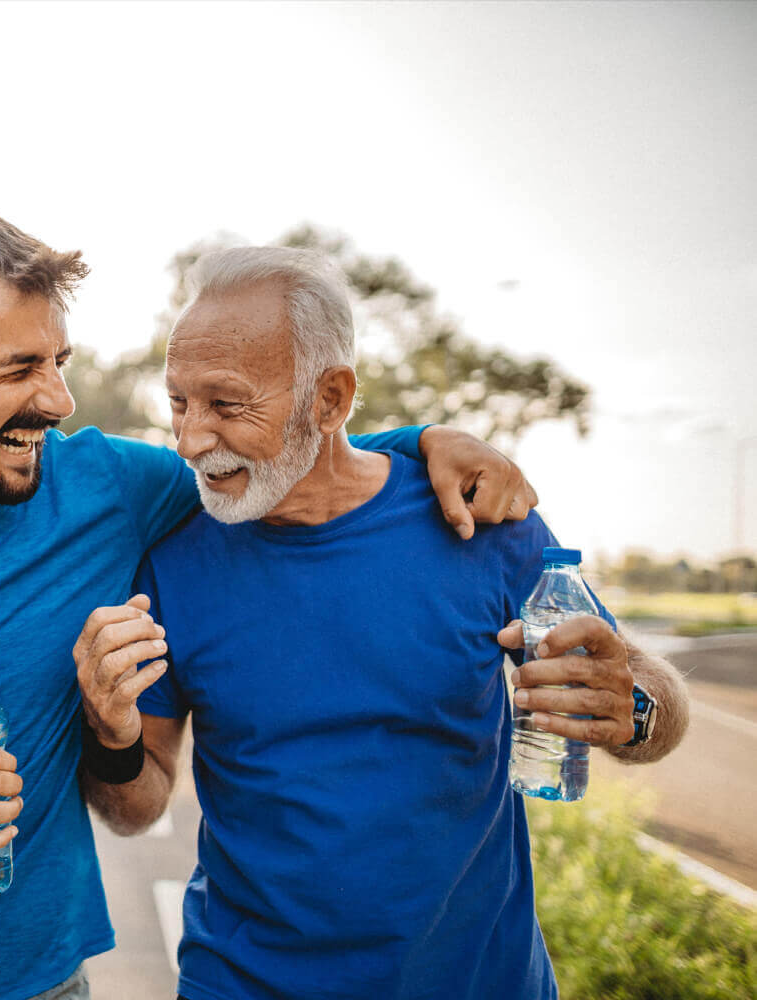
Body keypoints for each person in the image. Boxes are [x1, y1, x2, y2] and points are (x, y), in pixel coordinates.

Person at [0, 204, 538, 1000]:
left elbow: (285, 459)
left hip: (51, 982)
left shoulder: (109, 489)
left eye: (58, 362)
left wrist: (425, 444)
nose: (55, 399)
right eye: (18, 369)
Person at [74, 246, 690, 1000]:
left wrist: (632, 705)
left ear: (330, 400)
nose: (192, 439)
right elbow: (138, 809)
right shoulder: (174, 559)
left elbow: (655, 705)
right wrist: (111, 736)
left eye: (227, 404)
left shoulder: (479, 519)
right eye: (179, 402)